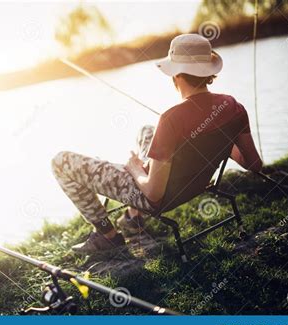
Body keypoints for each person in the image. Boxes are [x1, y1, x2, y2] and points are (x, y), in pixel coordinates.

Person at [51, 33, 263, 256]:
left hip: (157, 198)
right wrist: (219, 140)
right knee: (147, 131)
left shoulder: (171, 118)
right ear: (208, 73)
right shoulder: (233, 107)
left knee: (61, 162)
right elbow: (254, 164)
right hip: (194, 185)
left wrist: (134, 169)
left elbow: (153, 194)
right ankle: (134, 218)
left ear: (176, 75)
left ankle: (108, 237)